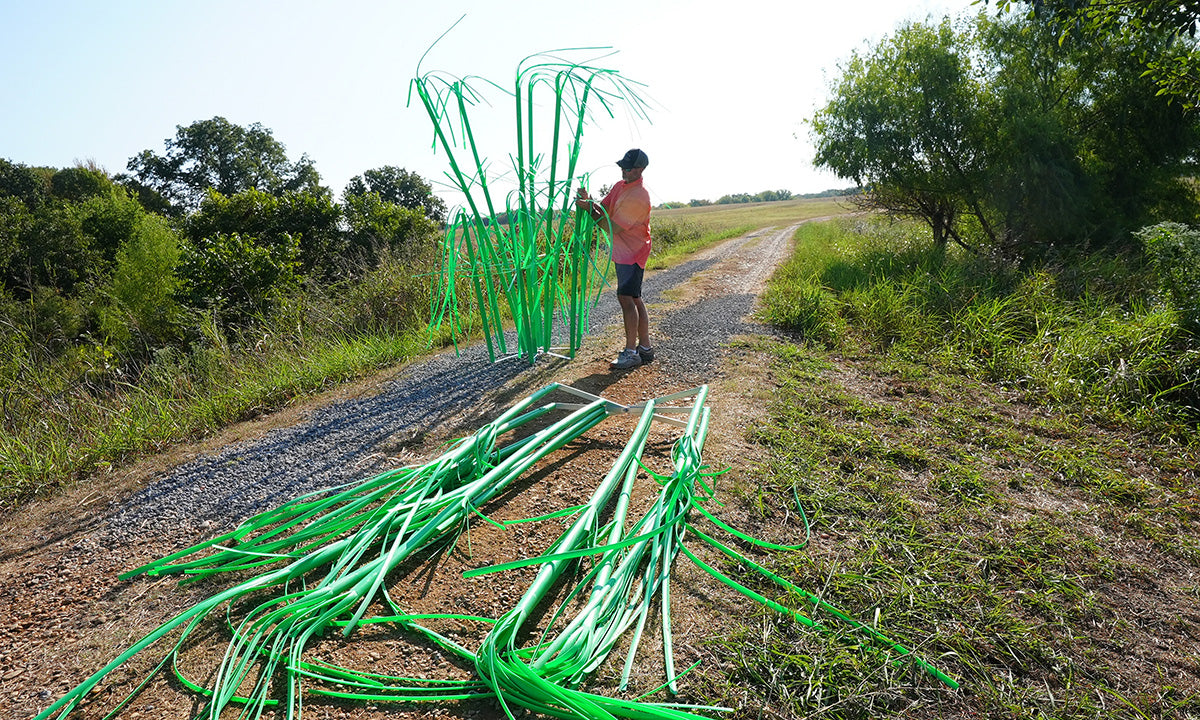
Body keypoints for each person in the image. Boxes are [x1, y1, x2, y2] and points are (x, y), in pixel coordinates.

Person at [575, 148, 655, 369]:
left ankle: (631, 353)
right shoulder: (621, 186)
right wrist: (589, 201)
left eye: (628, 168)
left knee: (626, 298)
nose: (623, 171)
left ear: (640, 169)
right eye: (622, 166)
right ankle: (645, 348)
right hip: (624, 251)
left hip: (633, 252)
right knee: (635, 297)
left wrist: (590, 211)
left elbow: (614, 228)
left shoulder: (639, 196)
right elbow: (605, 207)